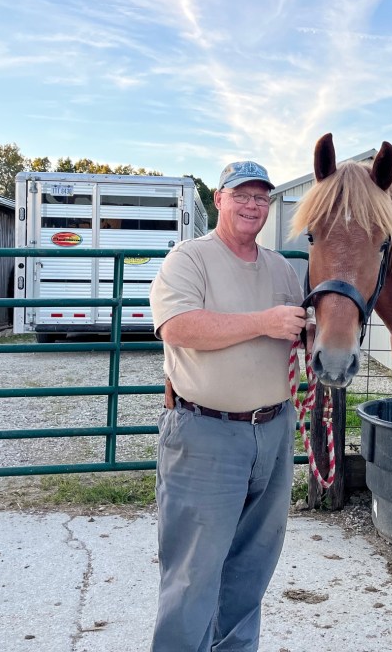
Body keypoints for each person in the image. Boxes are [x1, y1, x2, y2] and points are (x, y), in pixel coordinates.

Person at [148, 159, 306, 652]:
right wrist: (263, 322)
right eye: (241, 195)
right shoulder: (190, 258)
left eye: (261, 197)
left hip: (274, 430)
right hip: (205, 433)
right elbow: (178, 327)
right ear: (219, 199)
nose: (252, 205)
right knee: (193, 572)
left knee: (252, 566)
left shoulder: (282, 268)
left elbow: (300, 332)